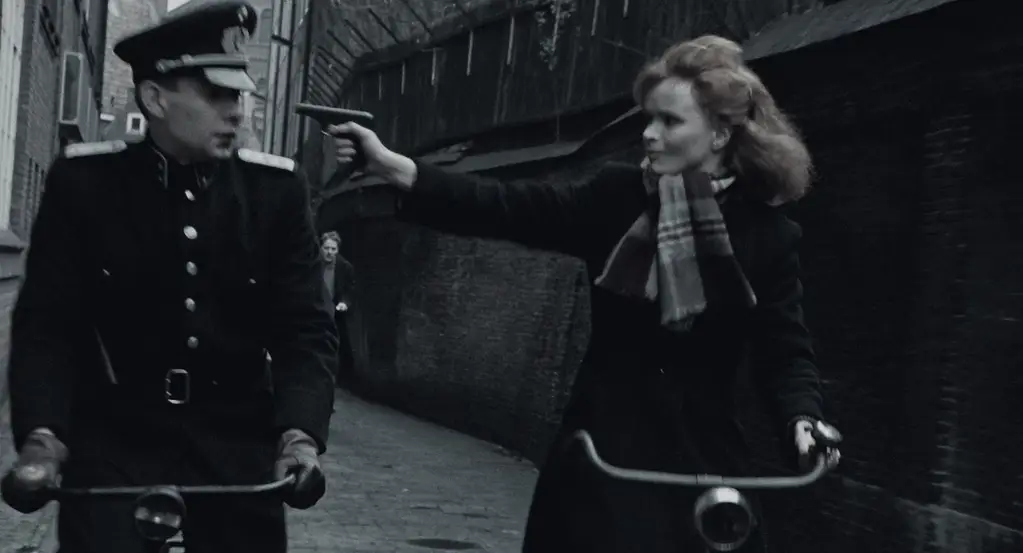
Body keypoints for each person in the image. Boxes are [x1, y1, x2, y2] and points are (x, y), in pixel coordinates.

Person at [329, 35, 841, 552]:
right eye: (649, 119)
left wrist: (804, 419)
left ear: (719, 135)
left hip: (703, 466)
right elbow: (505, 205)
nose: (649, 135)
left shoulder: (767, 236)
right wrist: (392, 166)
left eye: (670, 122)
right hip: (602, 458)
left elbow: (785, 351)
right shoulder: (615, 198)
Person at [0, 3, 339, 553]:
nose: (235, 111)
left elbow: (305, 328)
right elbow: (47, 325)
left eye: (239, 95)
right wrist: (43, 437)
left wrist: (299, 436)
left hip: (234, 438)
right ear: (155, 99)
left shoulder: (274, 194)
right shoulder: (85, 184)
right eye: (216, 95)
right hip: (115, 435)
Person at [320, 231, 364, 386]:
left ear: (338, 250)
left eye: (333, 249)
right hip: (316, 310)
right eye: (326, 248)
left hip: (335, 313)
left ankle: (339, 381)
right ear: (321, 248)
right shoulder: (313, 264)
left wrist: (344, 302)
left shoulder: (345, 267)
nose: (329, 252)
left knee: (338, 346)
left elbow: (350, 289)